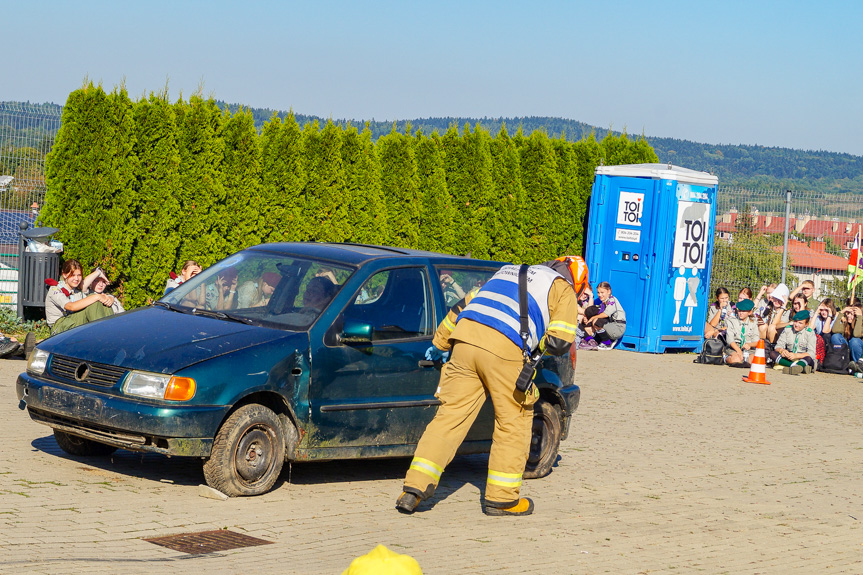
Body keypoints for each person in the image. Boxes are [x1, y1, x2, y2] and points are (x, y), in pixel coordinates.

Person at [396, 256, 585, 517]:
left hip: (464, 343)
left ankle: (414, 490)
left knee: (449, 419)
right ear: (575, 280)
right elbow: (561, 340)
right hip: (504, 348)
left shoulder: (507, 272)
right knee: (514, 421)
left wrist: (440, 344)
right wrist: (531, 354)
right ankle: (502, 499)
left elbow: (458, 309)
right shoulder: (562, 287)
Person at [45, 259, 115, 335]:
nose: (76, 279)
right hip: (59, 328)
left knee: (103, 301)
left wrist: (110, 298)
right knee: (94, 298)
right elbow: (71, 306)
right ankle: (102, 336)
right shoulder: (55, 289)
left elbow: (84, 283)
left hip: (74, 322)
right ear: (64, 275)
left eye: (79, 275)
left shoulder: (77, 290)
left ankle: (111, 334)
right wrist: (96, 297)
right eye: (73, 275)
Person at [770, 310, 817, 375]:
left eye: (800, 323)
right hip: (789, 357)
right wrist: (782, 350)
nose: (796, 325)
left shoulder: (810, 333)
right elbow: (778, 346)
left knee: (809, 359)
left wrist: (797, 355)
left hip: (802, 357)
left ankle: (792, 367)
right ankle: (797, 367)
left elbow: (811, 353)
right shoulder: (788, 329)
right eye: (795, 322)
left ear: (806, 324)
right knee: (772, 353)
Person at [581, 281, 625, 350]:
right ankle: (591, 340)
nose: (600, 295)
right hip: (610, 323)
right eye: (598, 292)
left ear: (609, 291)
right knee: (591, 311)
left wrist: (592, 318)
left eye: (602, 292)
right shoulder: (603, 303)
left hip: (617, 327)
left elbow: (605, 314)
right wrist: (586, 317)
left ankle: (607, 343)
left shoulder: (612, 300)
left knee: (596, 321)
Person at [724, 299, 759, 366]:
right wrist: (739, 351)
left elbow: (756, 341)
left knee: (752, 361)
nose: (740, 313)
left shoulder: (753, 323)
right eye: (739, 310)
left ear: (750, 312)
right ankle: (725, 358)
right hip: (735, 347)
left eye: (744, 311)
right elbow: (730, 340)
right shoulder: (731, 321)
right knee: (737, 360)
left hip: (748, 348)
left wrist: (749, 345)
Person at [830, 299, 863, 366]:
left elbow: (856, 334)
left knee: (854, 341)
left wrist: (859, 317)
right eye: (847, 313)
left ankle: (858, 366)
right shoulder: (846, 323)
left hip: (859, 353)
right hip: (848, 352)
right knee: (835, 336)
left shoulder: (860, 322)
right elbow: (834, 330)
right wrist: (841, 313)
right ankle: (844, 362)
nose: (848, 316)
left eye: (851, 314)